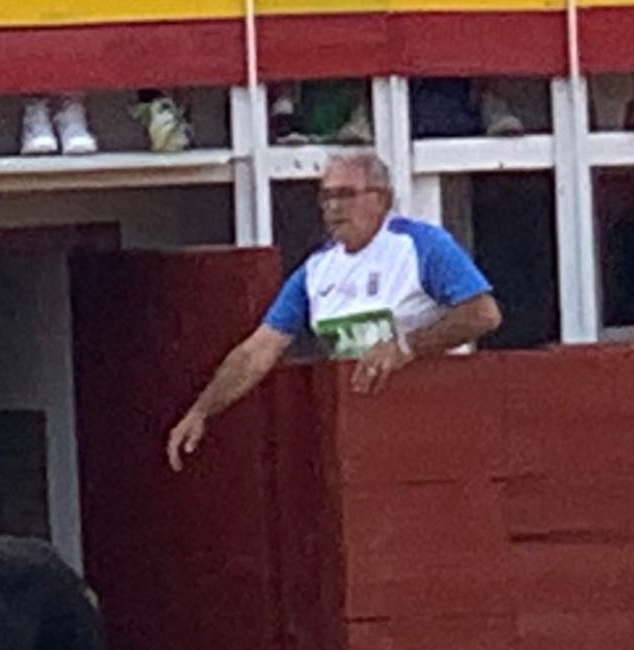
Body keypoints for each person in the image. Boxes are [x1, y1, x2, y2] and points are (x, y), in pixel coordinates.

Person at [165, 152, 501, 468]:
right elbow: (259, 349)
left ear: (381, 198)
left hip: (436, 424)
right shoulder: (318, 269)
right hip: (357, 434)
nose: (334, 207)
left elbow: (483, 313)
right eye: (326, 197)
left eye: (345, 195)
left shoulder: (420, 245)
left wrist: (406, 347)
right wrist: (202, 410)